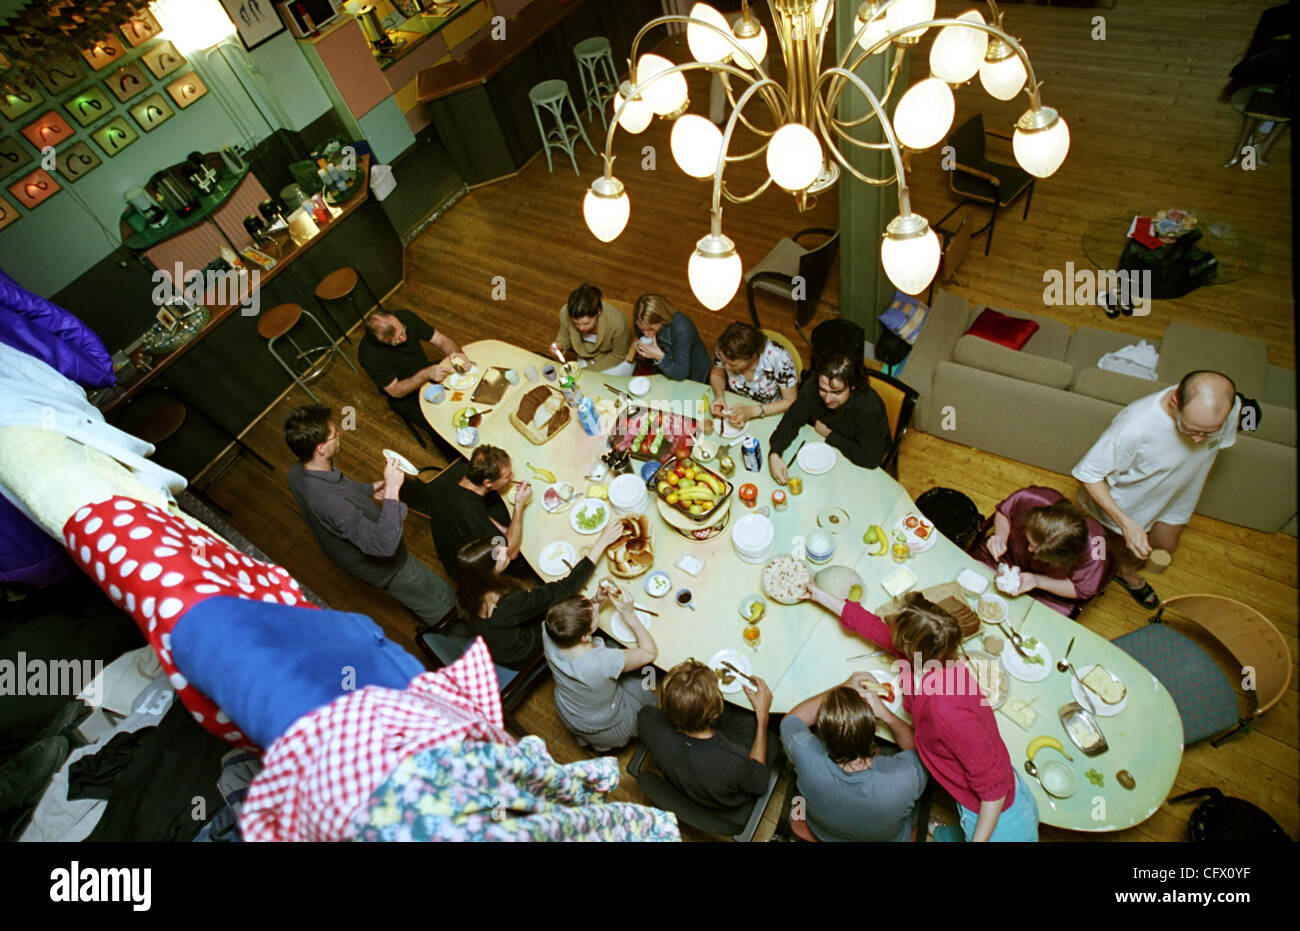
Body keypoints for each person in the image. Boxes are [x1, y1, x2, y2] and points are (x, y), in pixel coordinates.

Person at [802, 585, 1039, 842]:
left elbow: (993, 790)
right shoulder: (928, 657)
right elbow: (871, 625)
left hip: (999, 818)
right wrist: (818, 593)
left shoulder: (946, 710)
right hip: (969, 791)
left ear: (910, 642)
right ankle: (945, 833)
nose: (888, 624)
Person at [1071, 370, 1239, 607]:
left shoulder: (1229, 409)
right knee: (1125, 549)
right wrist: (1125, 524)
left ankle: (1117, 563)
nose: (1199, 440)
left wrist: (1249, 423)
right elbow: (1088, 474)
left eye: (1209, 433)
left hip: (1180, 494)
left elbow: (1246, 421)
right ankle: (1123, 573)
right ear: (1175, 402)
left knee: (1166, 547)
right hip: (1129, 502)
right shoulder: (1134, 426)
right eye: (1192, 430)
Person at [283, 404, 454, 624]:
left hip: (357, 555)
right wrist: (392, 490)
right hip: (389, 567)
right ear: (321, 449)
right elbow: (384, 546)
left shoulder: (298, 473)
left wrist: (373, 487)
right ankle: (466, 636)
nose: (340, 435)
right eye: (335, 434)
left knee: (417, 599)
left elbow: (343, 489)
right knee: (439, 603)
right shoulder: (330, 502)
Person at [454, 519, 626, 669]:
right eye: (498, 554)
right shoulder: (507, 605)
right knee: (575, 611)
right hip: (524, 652)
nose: (505, 550)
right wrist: (603, 542)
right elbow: (566, 587)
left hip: (501, 643)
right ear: (488, 572)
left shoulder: (467, 588)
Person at [780, 673, 928, 842]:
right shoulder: (904, 777)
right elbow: (924, 754)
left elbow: (791, 720)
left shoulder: (805, 754)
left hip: (823, 833)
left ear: (823, 737)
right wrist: (886, 715)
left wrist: (842, 689)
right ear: (873, 730)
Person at [636, 660, 776, 811]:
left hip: (688, 777)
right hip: (724, 798)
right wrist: (763, 717)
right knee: (751, 722)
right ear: (716, 711)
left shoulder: (646, 718)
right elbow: (760, 783)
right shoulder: (733, 760)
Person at [542, 583, 659, 751]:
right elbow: (649, 652)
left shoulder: (549, 628)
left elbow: (571, 620)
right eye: (593, 613)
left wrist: (597, 599)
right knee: (649, 674)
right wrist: (630, 616)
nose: (595, 608)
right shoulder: (601, 661)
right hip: (610, 725)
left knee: (616, 648)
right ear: (584, 636)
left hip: (571, 709)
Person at [969, 487, 1113, 617]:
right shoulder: (1032, 499)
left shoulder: (1096, 549)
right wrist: (1000, 536)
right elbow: (1005, 512)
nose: (1029, 550)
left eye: (1037, 551)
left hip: (1049, 591)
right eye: (1029, 540)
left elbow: (1081, 589)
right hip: (1005, 558)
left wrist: (1037, 581)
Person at [767, 349, 892, 481]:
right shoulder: (814, 385)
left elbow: (870, 459)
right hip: (829, 448)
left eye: (836, 392)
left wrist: (830, 435)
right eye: (823, 390)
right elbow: (792, 419)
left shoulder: (870, 410)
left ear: (853, 386)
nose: (827, 399)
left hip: (859, 453)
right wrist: (775, 452)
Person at [357, 308, 470, 437]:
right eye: (397, 340)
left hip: (425, 369)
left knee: (462, 391)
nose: (404, 338)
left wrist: (457, 356)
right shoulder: (369, 355)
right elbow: (395, 391)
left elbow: (440, 340)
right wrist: (425, 375)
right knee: (440, 426)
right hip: (405, 393)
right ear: (381, 342)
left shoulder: (406, 317)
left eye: (403, 330)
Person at [427, 445, 531, 576]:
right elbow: (511, 552)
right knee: (523, 559)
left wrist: (503, 530)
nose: (512, 477)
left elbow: (480, 513)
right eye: (507, 476)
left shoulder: (464, 477)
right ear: (487, 483)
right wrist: (519, 505)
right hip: (468, 566)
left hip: (456, 524)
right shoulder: (468, 513)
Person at [707, 321, 799, 431]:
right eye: (724, 362)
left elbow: (790, 400)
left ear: (751, 357)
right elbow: (717, 373)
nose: (726, 367)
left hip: (771, 410)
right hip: (738, 403)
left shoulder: (778, 358)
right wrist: (719, 396)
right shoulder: (724, 349)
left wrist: (752, 411)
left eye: (732, 364)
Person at [628, 293, 711, 383]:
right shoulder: (640, 322)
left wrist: (658, 356)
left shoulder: (682, 328)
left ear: (663, 320)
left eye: (651, 329)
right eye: (643, 329)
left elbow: (681, 374)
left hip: (693, 370)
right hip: (663, 367)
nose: (646, 334)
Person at [554, 283, 633, 374]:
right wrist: (560, 345)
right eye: (576, 324)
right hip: (585, 352)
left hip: (612, 357)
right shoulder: (565, 313)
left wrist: (590, 370)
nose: (581, 328)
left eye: (586, 323)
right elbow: (564, 336)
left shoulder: (617, 322)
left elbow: (618, 356)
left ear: (598, 312)